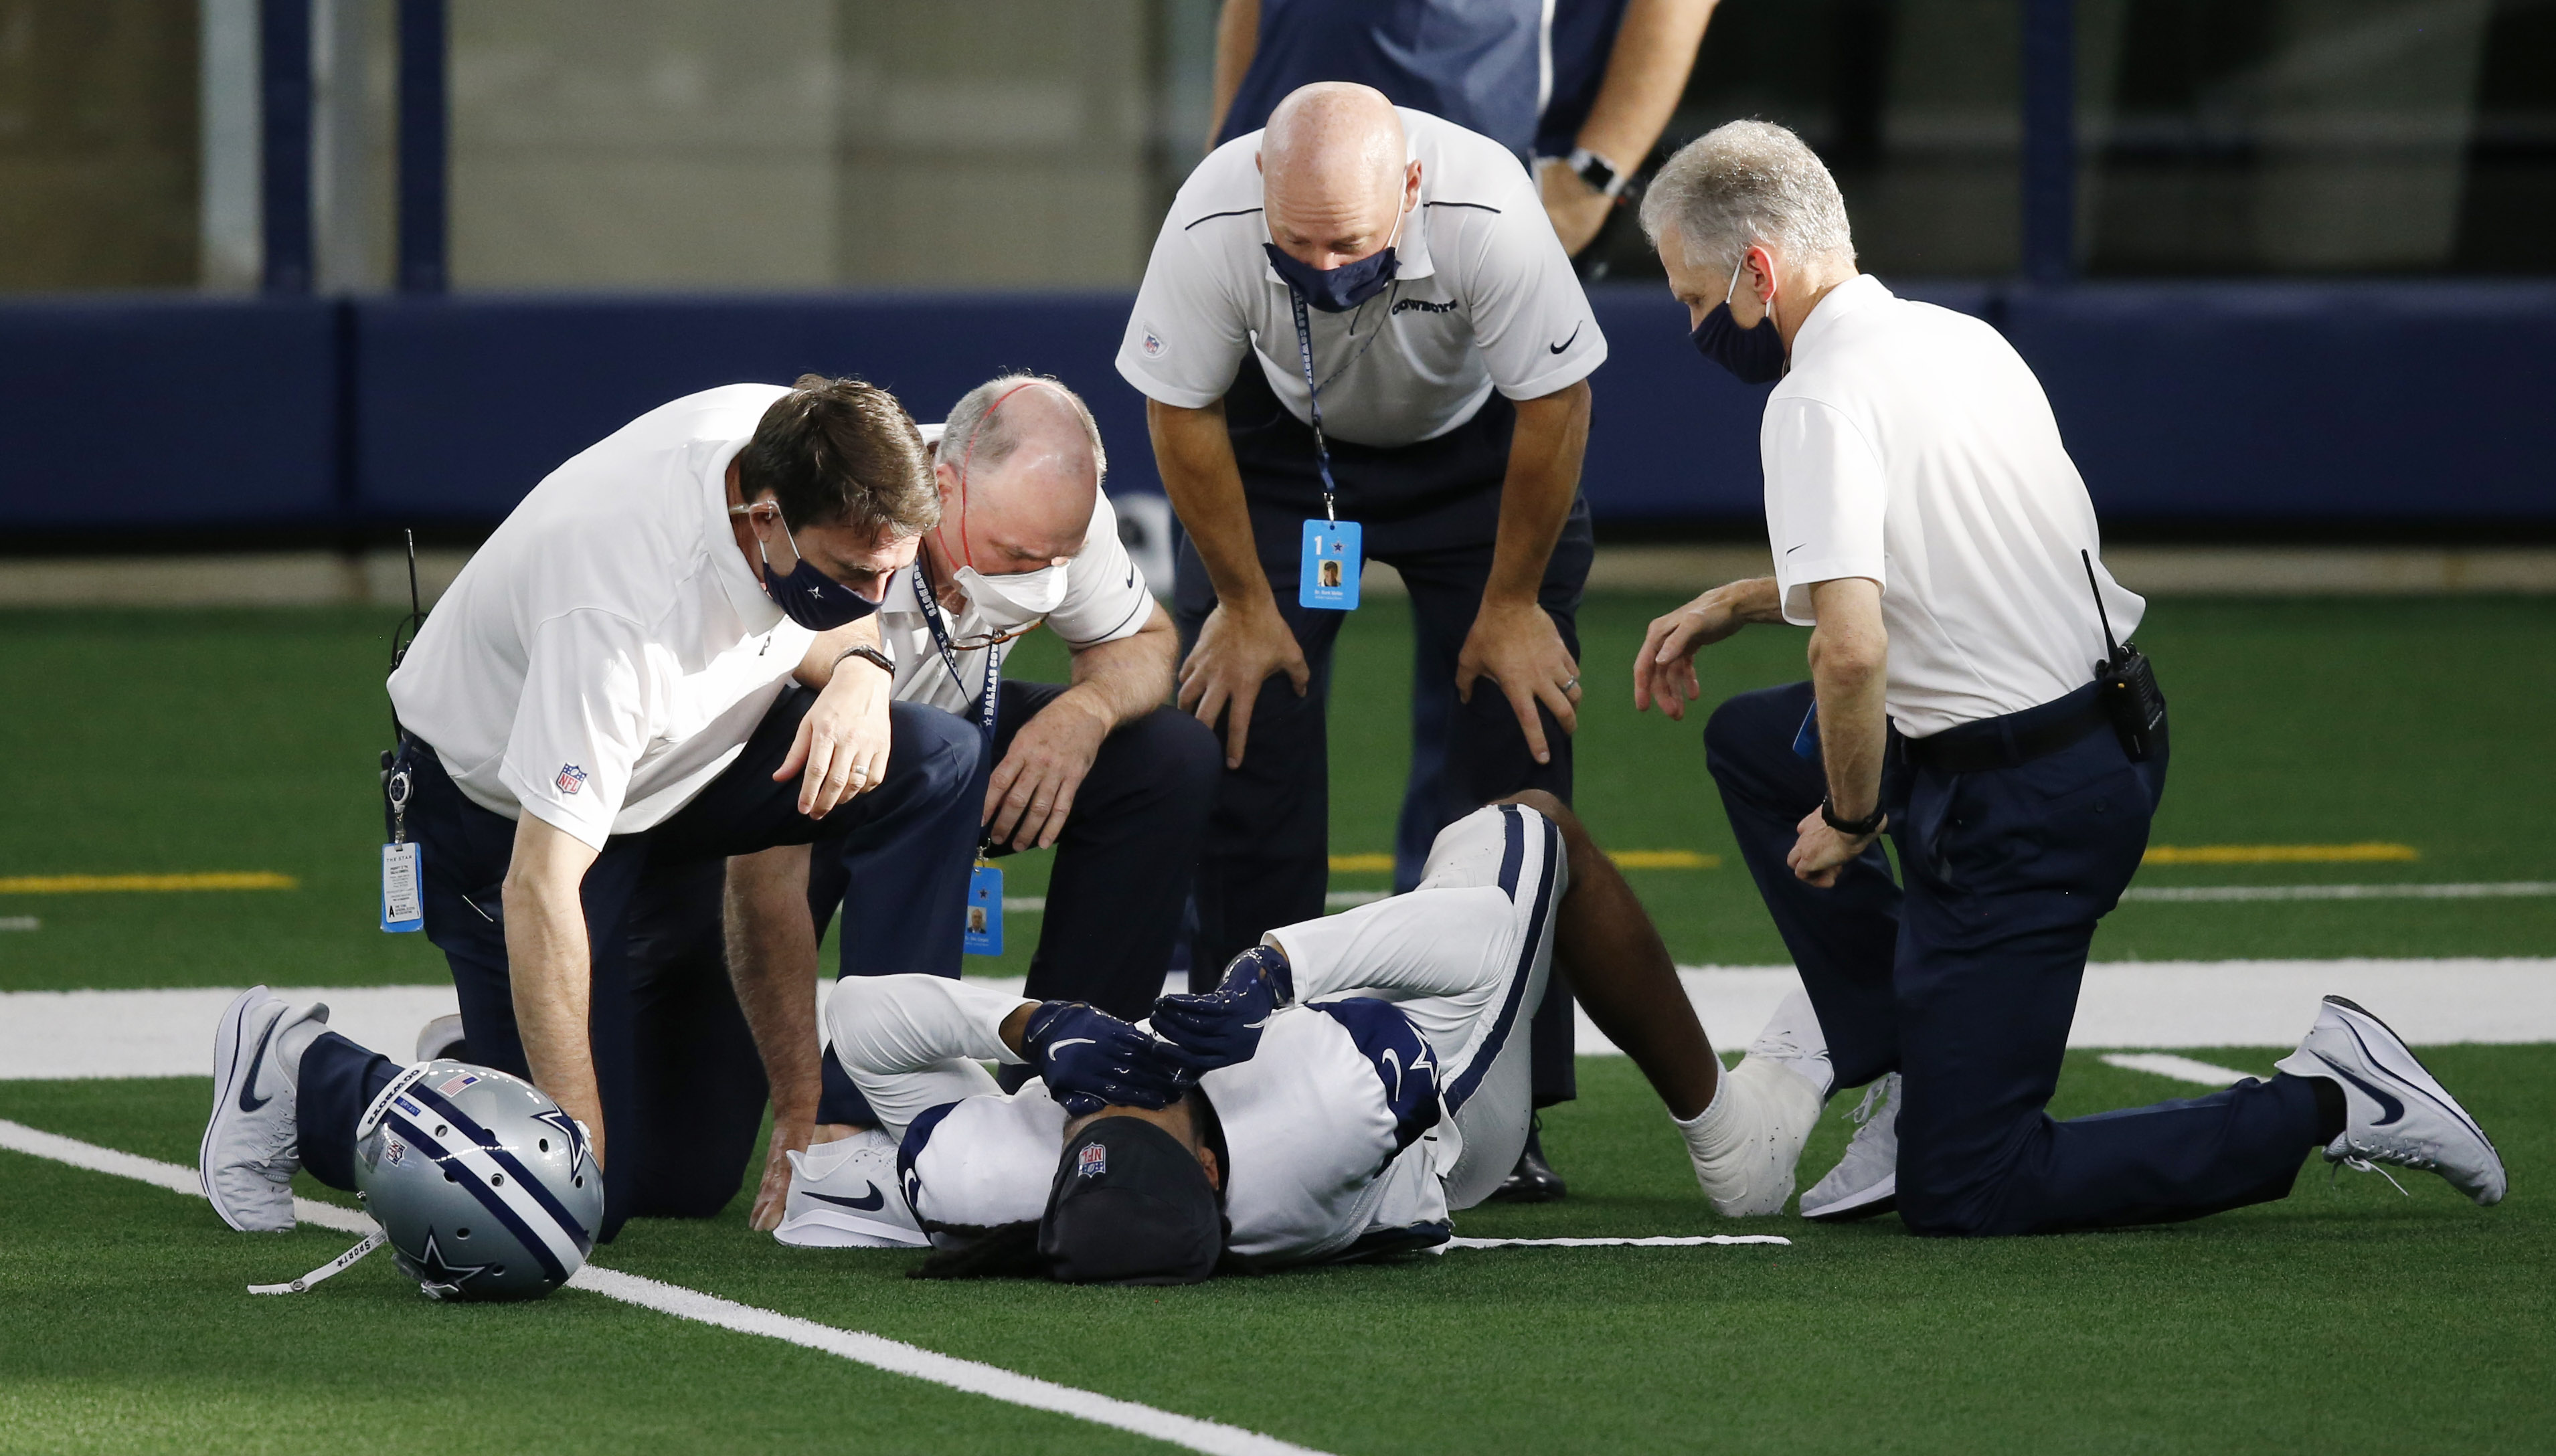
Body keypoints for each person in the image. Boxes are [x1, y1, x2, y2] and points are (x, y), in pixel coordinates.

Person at [1628, 122, 2506, 1233]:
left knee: (1967, 1188)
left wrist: (1850, 818)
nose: (1693, 325)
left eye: (1694, 298)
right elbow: (1935, 558)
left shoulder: (1809, 399)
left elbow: (1849, 650)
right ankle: (1901, 1049)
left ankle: (2331, 1097)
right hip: (2101, 732)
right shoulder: (1958, 339)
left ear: (1756, 271)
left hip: (2022, 803)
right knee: (1753, 742)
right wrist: (1731, 601)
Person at [1122, 83, 1607, 1201]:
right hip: (1287, 455)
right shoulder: (1208, 219)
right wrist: (1241, 607)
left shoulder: (1489, 209)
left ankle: (1502, 1106)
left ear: (1410, 188)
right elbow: (1178, 412)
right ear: (1258, 191)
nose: (1323, 264)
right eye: (1297, 243)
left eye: (1348, 242)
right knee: (1241, 729)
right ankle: (1239, 1075)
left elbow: (1556, 406)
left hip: (1480, 453)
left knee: (1513, 760)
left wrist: (1514, 601)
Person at [375, 375, 983, 1242]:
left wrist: (861, 669)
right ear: (763, 522)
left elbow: (852, 593)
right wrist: (572, 1142)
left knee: (936, 756)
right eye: (855, 573)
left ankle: (870, 1126)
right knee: (572, 1199)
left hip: (682, 773)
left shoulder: (800, 437)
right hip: (506, 818)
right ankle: (311, 1075)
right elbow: (539, 885)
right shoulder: (619, 612)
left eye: (894, 569)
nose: (877, 598)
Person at [776, 794, 1822, 1274]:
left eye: (1083, 1128)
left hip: (1321, 1127)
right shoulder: (1324, 1102)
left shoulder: (988, 1180)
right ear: (1204, 1164)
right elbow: (1477, 938)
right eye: (1132, 1116)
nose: (1099, 1099)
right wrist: (1279, 969)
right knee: (1530, 827)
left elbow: (861, 1016)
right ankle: (1737, 1143)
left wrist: (1027, 1023)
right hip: (1445, 1118)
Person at [795, 379, 1217, 1118]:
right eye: (1018, 554)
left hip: (948, 766)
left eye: (1059, 556)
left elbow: (1145, 642)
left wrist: (1086, 711)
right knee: (676, 1172)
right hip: (795, 786)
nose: (1043, 577)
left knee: (1166, 759)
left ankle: (1080, 1079)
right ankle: (858, 1102)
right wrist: (797, 1094)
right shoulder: (846, 512)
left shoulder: (1050, 518)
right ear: (942, 486)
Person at [1205, 0, 1719, 260]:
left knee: (1475, 459)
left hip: (1466, 210)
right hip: (1268, 207)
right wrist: (1224, 147)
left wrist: (1590, 182)